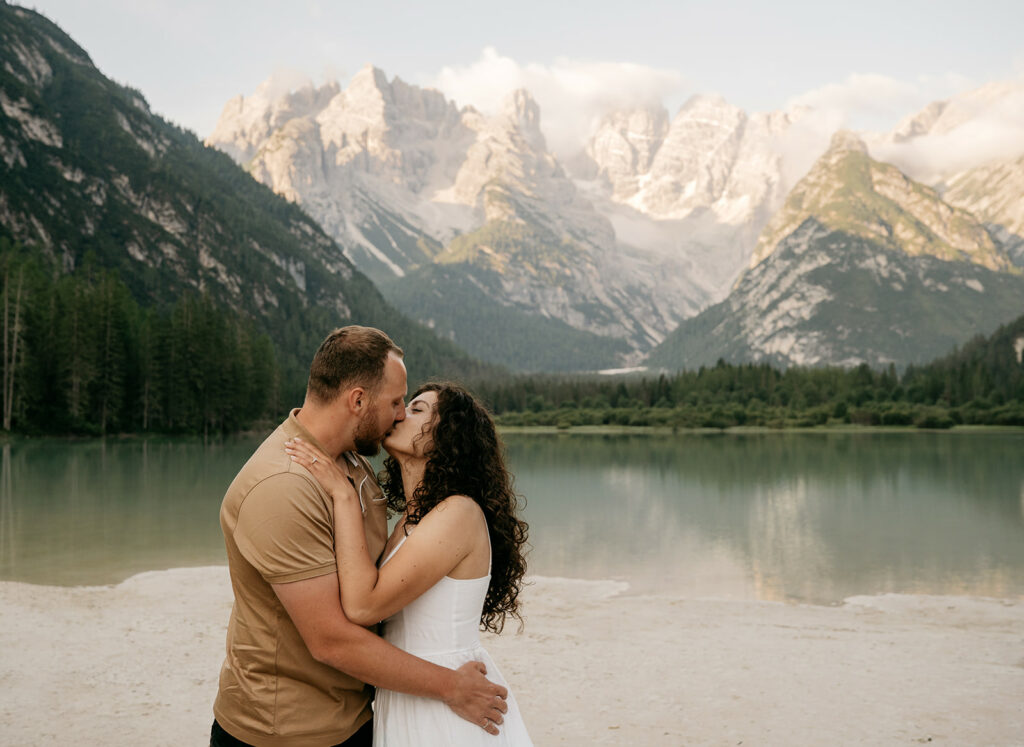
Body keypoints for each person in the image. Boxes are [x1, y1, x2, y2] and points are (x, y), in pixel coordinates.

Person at [212, 327, 508, 747]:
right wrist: (449, 685)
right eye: (395, 402)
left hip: (359, 717)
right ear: (357, 400)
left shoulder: (354, 466)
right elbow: (332, 639)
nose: (401, 413)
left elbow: (376, 591)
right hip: (289, 732)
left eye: (411, 406)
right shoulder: (282, 485)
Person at [285, 381, 533, 746]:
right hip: (411, 687)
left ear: (449, 436)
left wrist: (343, 495)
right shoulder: (410, 522)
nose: (400, 413)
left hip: (450, 698)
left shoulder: (459, 512)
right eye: (403, 405)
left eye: (417, 409)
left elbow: (363, 605)